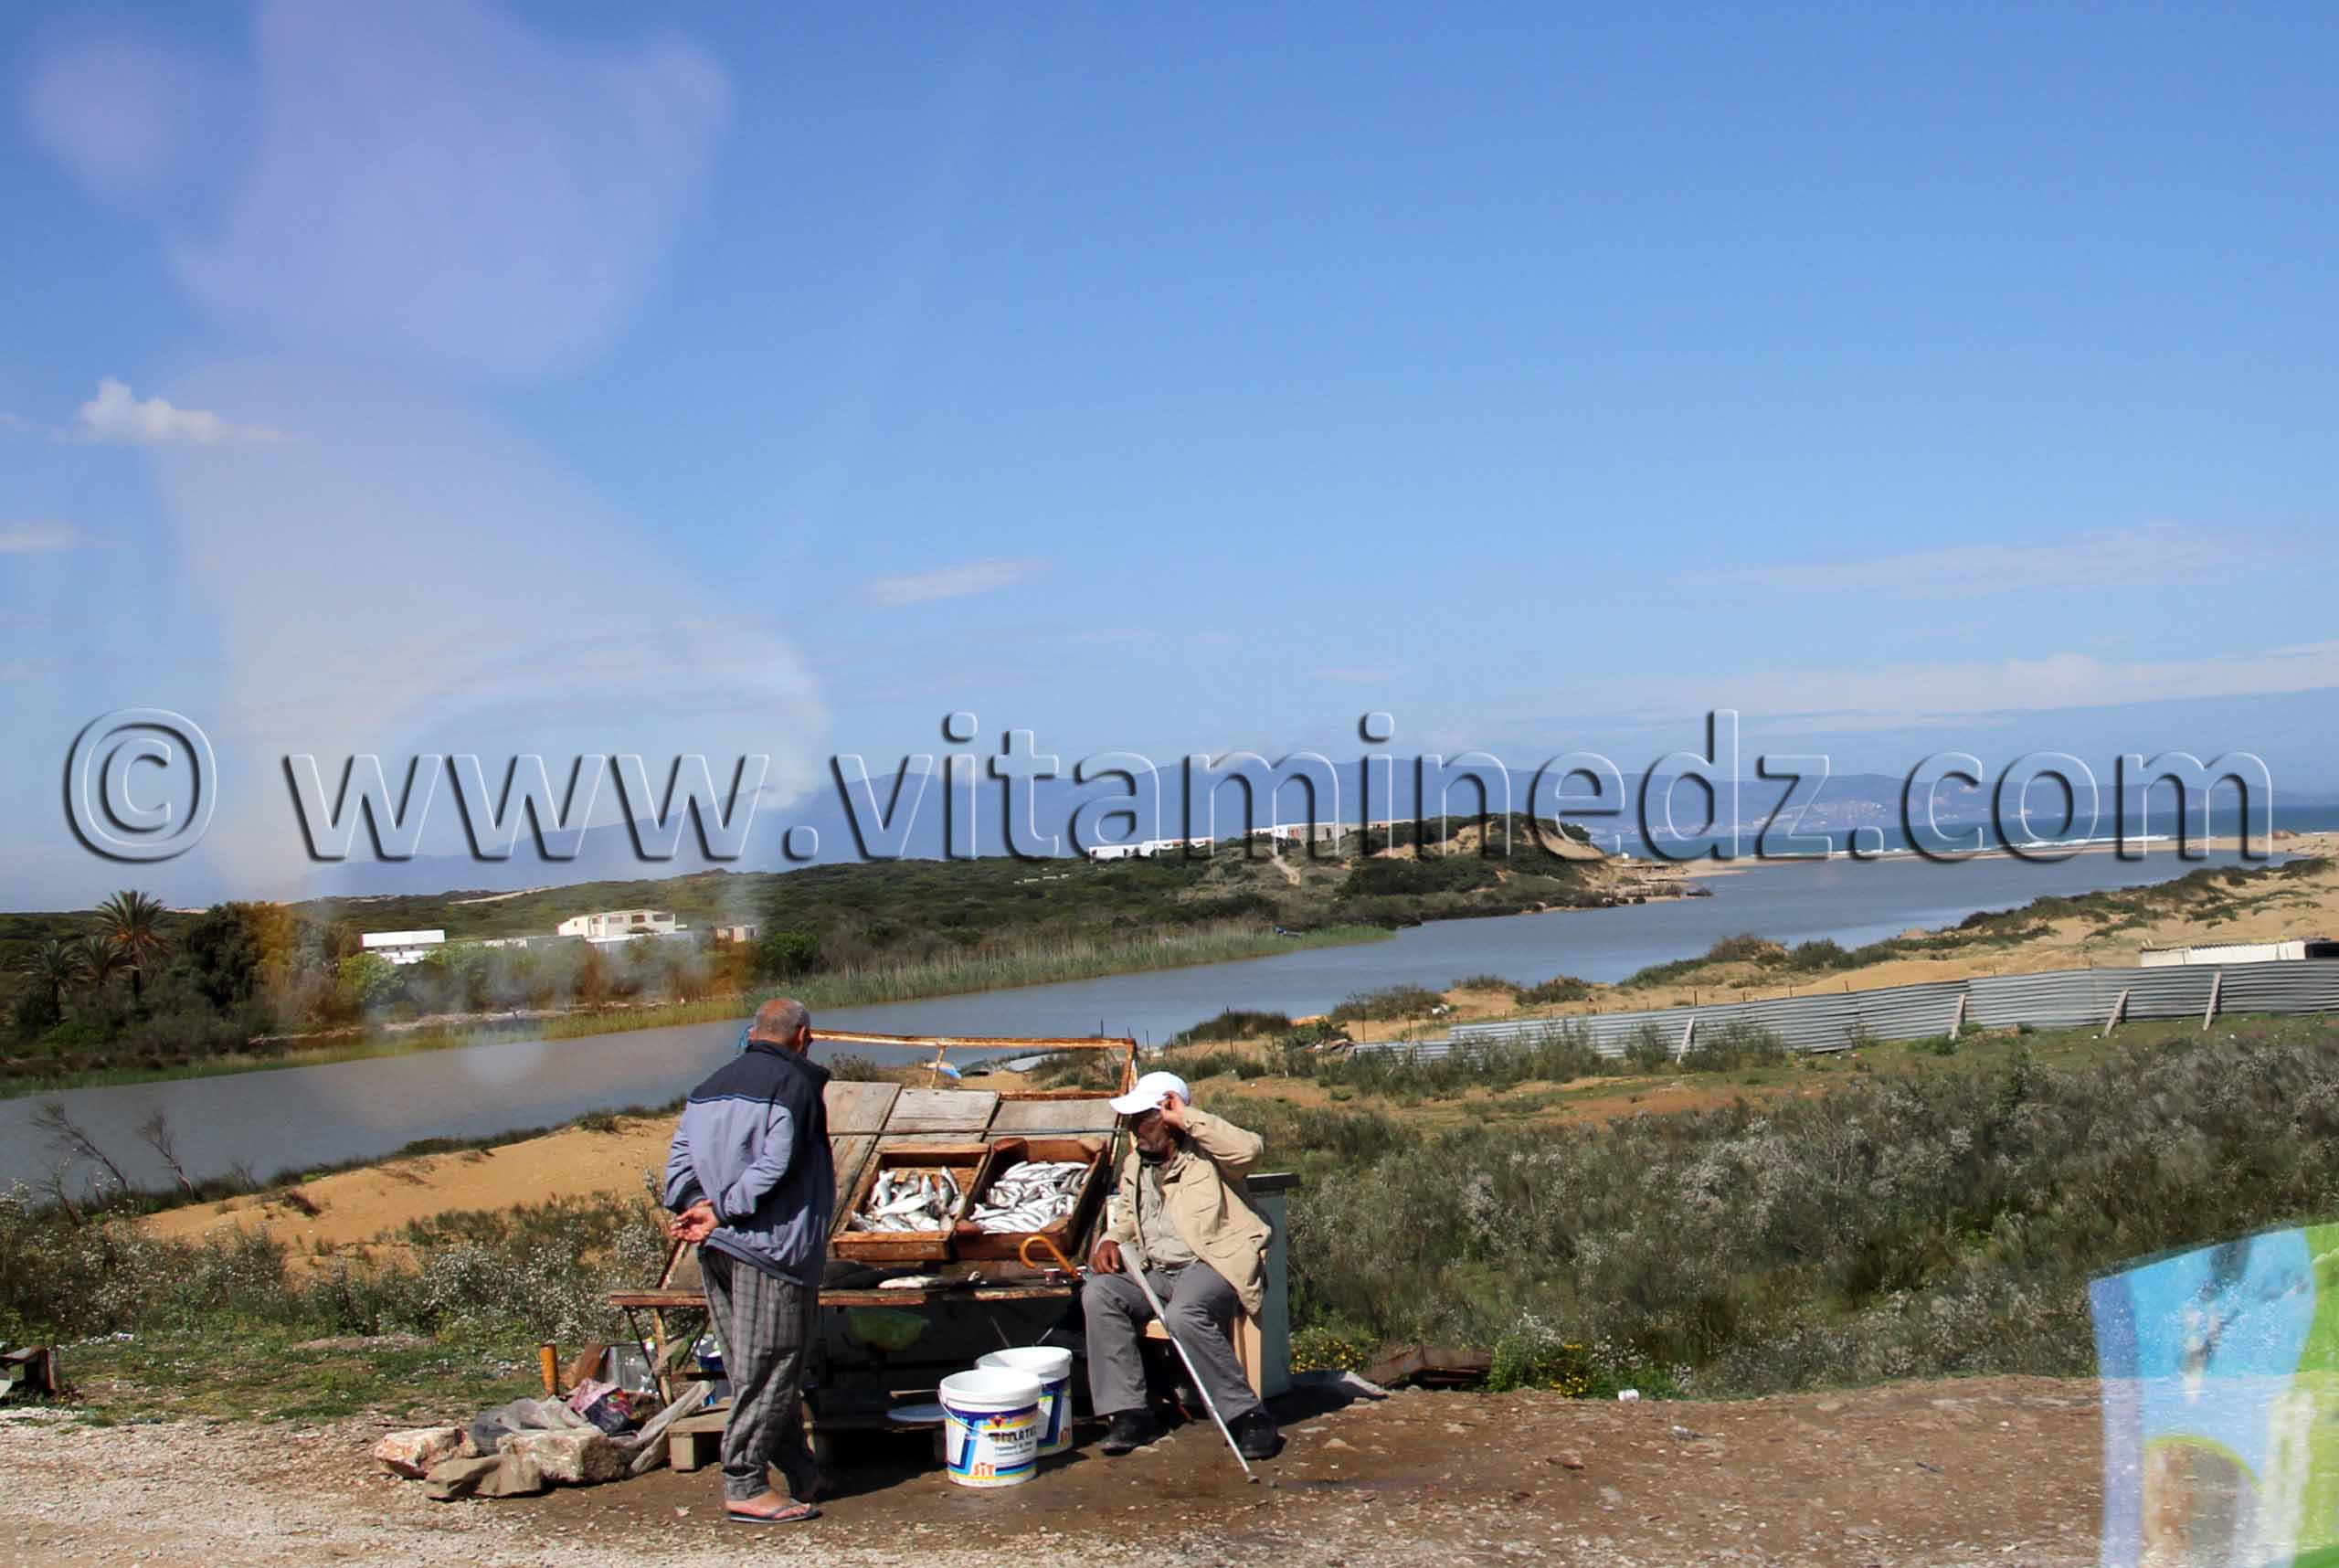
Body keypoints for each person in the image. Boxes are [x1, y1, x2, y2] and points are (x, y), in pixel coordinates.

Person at [663, 997, 834, 1524]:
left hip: (717, 1249)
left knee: (752, 1367)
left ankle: (801, 1471)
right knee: (773, 1364)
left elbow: (678, 1161)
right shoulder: (796, 1085)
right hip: (771, 1249)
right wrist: (724, 1210)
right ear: (803, 1036)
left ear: (754, 1032)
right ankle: (745, 1480)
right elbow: (775, 1166)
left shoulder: (709, 1086)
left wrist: (695, 1205)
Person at [1084, 1069, 1280, 1460]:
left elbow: (1250, 1151)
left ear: (1169, 1114)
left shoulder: (1208, 1155)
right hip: (1157, 1269)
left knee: (1184, 1314)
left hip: (1211, 1262)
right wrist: (1110, 1239)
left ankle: (1247, 1417)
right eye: (1132, 1120)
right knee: (1099, 1293)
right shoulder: (1135, 1164)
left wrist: (1187, 1116)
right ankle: (1130, 1414)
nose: (1135, 1128)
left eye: (1144, 1118)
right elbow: (1125, 1214)